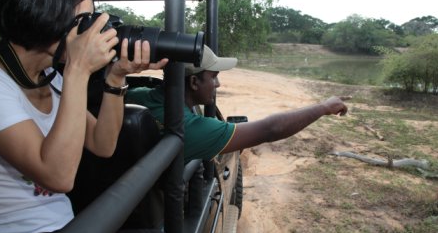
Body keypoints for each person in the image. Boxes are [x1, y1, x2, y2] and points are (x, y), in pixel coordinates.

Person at [0, 0, 173, 233]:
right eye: (84, 21)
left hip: (61, 229)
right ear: (44, 17)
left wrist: (116, 76)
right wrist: (78, 68)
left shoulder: (51, 77)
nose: (92, 31)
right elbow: (58, 176)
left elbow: (103, 145)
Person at [127, 45, 349, 163]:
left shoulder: (136, 95)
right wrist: (323, 108)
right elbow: (269, 130)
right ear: (194, 81)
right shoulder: (187, 127)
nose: (218, 84)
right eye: (213, 77)